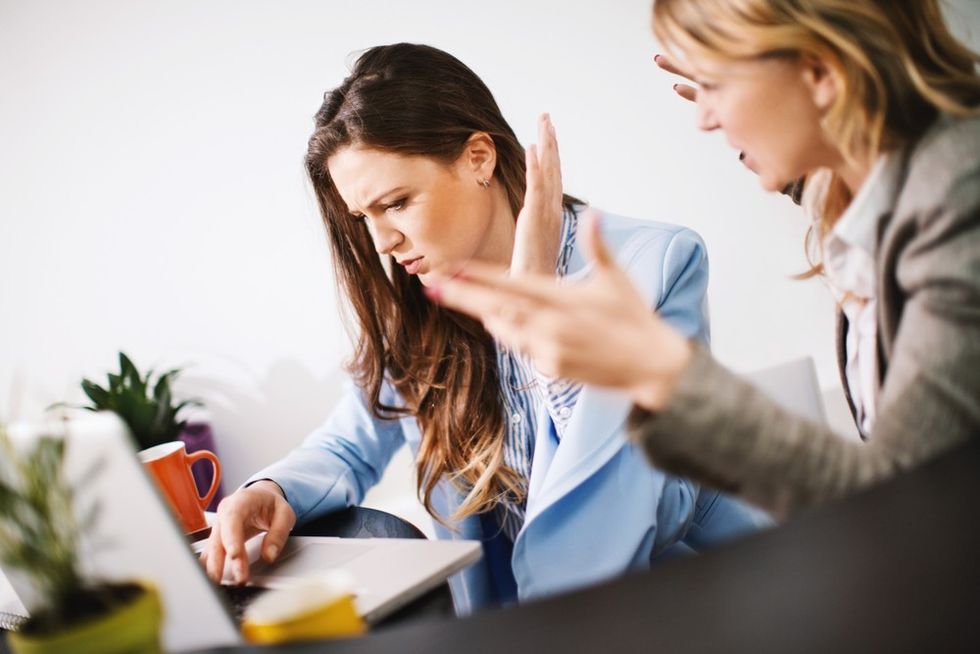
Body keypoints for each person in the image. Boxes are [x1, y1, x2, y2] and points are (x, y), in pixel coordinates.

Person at [201, 43, 768, 614]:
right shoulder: (421, 305)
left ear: (478, 157)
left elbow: (659, 506)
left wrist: (546, 340)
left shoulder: (653, 265)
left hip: (672, 612)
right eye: (363, 218)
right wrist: (268, 491)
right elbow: (348, 444)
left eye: (396, 203)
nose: (381, 243)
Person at [432, 0, 980, 519]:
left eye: (716, 83)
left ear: (821, 74)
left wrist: (662, 371)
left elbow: (905, 503)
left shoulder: (961, 203)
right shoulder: (903, 181)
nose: (704, 118)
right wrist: (788, 141)